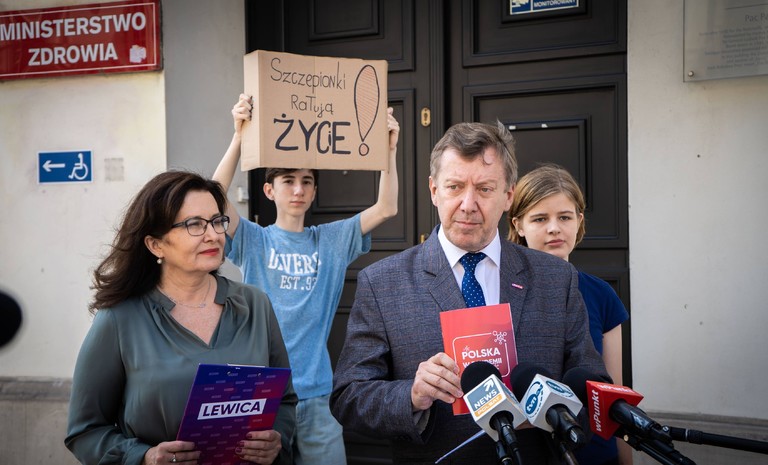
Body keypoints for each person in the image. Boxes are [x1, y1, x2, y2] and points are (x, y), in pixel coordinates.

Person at [330, 121, 608, 464]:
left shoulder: (556, 278)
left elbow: (592, 385)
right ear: (434, 190)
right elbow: (349, 397)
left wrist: (560, 415)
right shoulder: (383, 282)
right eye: (454, 187)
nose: (468, 203)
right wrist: (412, 395)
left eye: (485, 189)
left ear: (508, 195)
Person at [213, 94, 400, 465]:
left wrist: (389, 149)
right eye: (288, 181)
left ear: (314, 191)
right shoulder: (254, 239)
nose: (298, 189)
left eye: (306, 181)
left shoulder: (331, 240)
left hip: (316, 394)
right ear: (269, 190)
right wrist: (238, 136)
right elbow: (214, 196)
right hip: (261, 393)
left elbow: (387, 207)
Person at [65, 171, 297, 465]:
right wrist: (144, 457)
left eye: (217, 221)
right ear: (156, 245)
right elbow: (85, 432)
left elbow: (284, 400)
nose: (214, 235)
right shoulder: (119, 318)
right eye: (194, 224)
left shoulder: (255, 304)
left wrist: (276, 438)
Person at [507, 164, 632, 465]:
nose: (554, 228)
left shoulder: (601, 294)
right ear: (519, 225)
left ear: (579, 221)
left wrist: (625, 460)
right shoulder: (500, 293)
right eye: (540, 218)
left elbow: (615, 393)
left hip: (595, 454)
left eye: (564, 217)